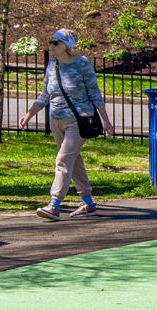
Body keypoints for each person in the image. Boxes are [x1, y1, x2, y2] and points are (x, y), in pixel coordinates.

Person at [18, 28, 111, 220]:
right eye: (51, 42)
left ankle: (54, 204)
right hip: (56, 120)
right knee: (72, 160)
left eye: (55, 43)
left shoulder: (82, 64)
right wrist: (29, 114)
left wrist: (106, 119)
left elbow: (94, 92)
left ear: (67, 47)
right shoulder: (53, 65)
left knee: (62, 160)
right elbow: (45, 94)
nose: (51, 46)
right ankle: (88, 203)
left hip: (78, 120)